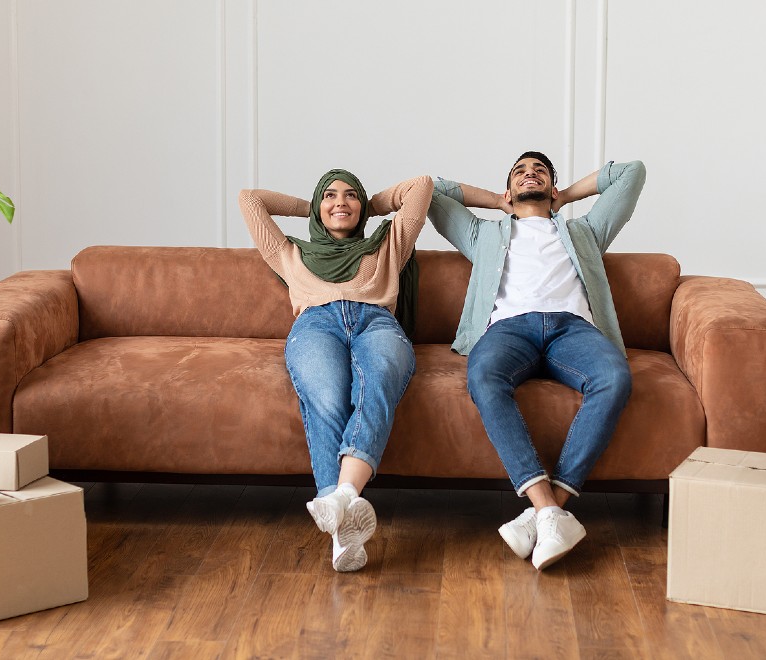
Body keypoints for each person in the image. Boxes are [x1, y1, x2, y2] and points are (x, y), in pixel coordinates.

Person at [428, 152, 646, 569]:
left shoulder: (585, 231)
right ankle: (551, 512)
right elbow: (430, 189)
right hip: (508, 330)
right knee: (485, 377)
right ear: (510, 187)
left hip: (574, 330)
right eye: (520, 171)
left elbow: (631, 173)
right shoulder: (482, 235)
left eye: (540, 171)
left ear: (552, 186)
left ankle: (544, 511)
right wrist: (495, 199)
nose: (530, 174)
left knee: (614, 378)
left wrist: (567, 197)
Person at [239, 170, 433, 572]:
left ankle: (342, 497)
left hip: (377, 323)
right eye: (328, 196)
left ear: (363, 206)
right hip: (316, 325)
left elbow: (422, 186)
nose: (339, 202)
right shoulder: (289, 253)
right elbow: (249, 199)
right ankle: (343, 530)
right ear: (317, 207)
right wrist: (311, 203)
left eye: (350, 196)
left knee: (376, 384)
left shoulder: (388, 245)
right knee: (327, 397)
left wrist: (368, 204)